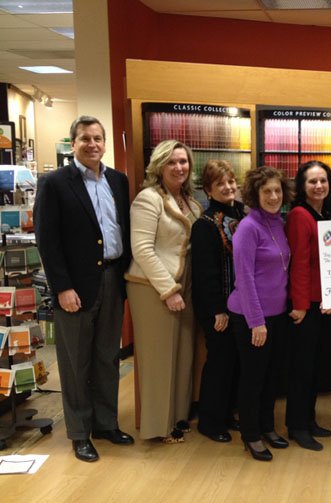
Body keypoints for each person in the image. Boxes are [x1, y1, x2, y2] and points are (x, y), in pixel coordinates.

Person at [34, 115, 133, 462]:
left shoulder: (118, 181)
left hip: (112, 277)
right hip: (74, 286)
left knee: (107, 357)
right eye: (84, 138)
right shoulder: (55, 183)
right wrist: (61, 287)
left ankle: (106, 423)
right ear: (73, 143)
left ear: (105, 142)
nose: (92, 144)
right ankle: (79, 432)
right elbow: (47, 240)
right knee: (76, 361)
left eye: (97, 138)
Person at [125, 140, 202, 444]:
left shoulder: (190, 202)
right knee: (158, 358)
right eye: (171, 162)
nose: (179, 167)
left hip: (185, 287)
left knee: (182, 355)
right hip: (152, 287)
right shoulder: (148, 199)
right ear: (159, 165)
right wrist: (168, 290)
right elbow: (142, 249)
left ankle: (177, 418)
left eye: (183, 162)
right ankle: (158, 426)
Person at [227, 166, 292, 462]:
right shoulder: (248, 227)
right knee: (253, 379)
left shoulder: (279, 223)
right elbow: (245, 278)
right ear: (255, 194)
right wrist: (257, 322)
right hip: (252, 317)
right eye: (267, 191)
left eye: (278, 190)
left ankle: (267, 426)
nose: (274, 196)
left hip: (278, 315)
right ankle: (251, 435)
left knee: (272, 377)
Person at [285, 160, 331, 451]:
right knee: (301, 369)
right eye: (312, 181)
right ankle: (297, 426)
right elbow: (299, 264)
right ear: (301, 186)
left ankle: (309, 420)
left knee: (315, 367)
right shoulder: (299, 215)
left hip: (323, 303)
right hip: (305, 306)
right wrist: (301, 304)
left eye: (323, 181)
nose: (319, 186)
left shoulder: (324, 213)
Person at [190, 160, 245, 443]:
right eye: (220, 183)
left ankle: (226, 414)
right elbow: (205, 275)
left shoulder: (242, 216)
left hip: (241, 305)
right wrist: (217, 311)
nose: (228, 187)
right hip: (218, 307)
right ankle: (210, 422)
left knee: (235, 362)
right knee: (219, 362)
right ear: (208, 191)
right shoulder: (204, 224)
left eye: (231, 181)